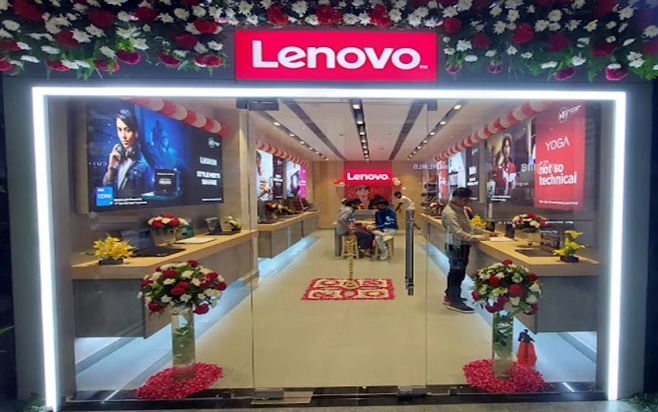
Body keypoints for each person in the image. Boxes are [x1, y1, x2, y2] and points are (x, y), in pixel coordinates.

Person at [441, 187, 494, 313]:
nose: (467, 203)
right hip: (456, 246)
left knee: (457, 272)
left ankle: (450, 296)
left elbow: (469, 226)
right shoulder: (450, 213)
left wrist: (485, 232)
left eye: (468, 200)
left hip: (461, 246)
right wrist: (480, 237)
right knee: (457, 273)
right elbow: (459, 233)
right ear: (456, 198)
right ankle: (454, 301)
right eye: (465, 200)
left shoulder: (460, 209)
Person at [102, 109, 153, 197]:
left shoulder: (144, 166)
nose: (123, 136)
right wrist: (111, 170)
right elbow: (105, 197)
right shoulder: (115, 158)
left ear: (136, 133)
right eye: (120, 130)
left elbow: (147, 199)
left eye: (127, 130)